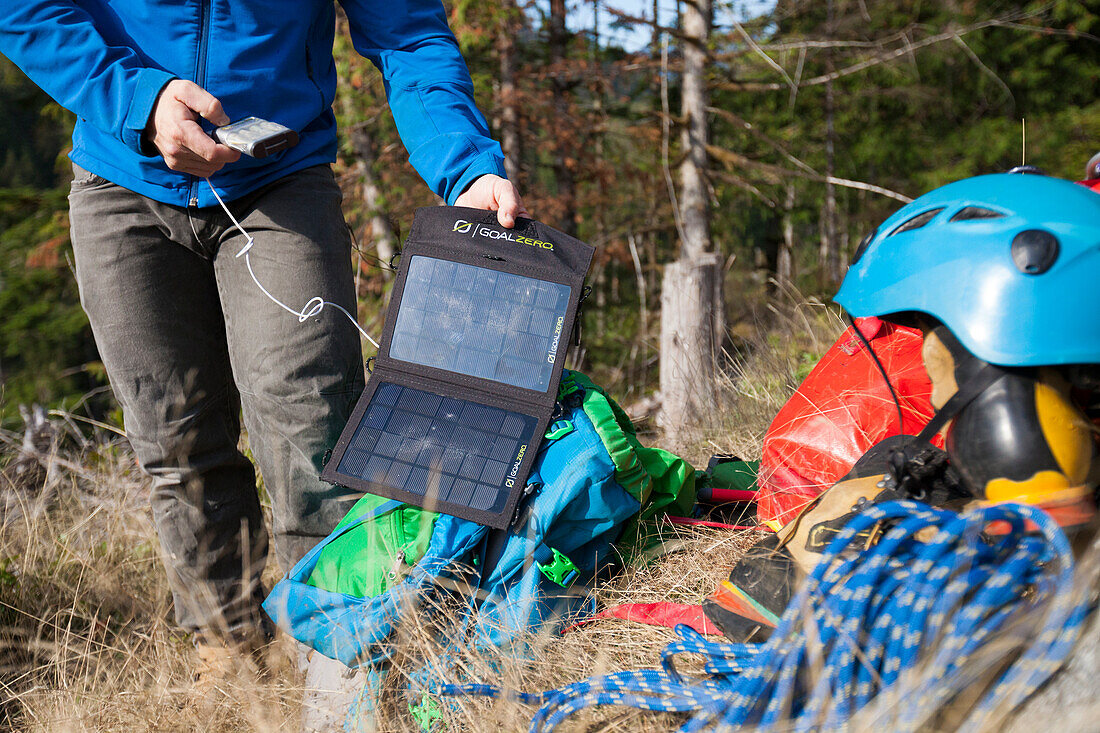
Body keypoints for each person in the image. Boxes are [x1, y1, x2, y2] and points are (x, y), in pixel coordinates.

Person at [0, 0, 528, 672]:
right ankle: (228, 654)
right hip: (119, 173)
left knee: (311, 423)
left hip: (279, 179)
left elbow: (408, 30)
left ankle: (338, 651)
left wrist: (466, 165)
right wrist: (142, 100)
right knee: (174, 436)